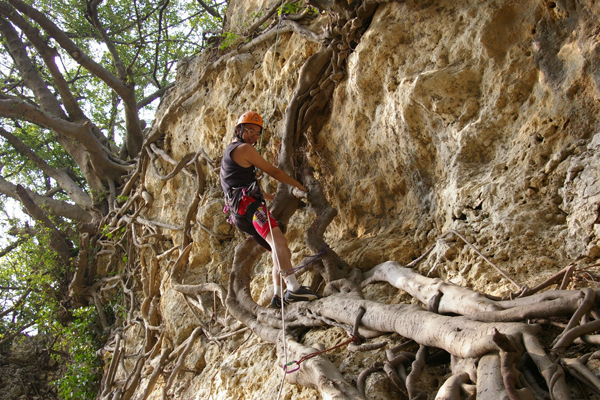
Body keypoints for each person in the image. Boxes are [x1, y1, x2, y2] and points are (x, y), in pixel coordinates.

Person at [220, 111, 321, 309]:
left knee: (278, 248)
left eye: (257, 133)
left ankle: (277, 296)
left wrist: (268, 197)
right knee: (279, 242)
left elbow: (238, 182)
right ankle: (294, 290)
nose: (253, 136)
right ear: (238, 129)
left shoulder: (229, 153)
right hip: (251, 207)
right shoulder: (243, 149)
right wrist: (298, 186)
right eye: (249, 130)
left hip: (241, 213)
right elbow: (273, 171)